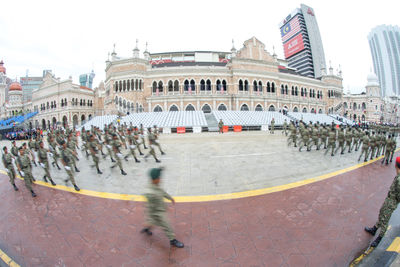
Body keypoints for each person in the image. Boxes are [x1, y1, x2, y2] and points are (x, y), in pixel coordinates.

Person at [141, 168, 184, 248]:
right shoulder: (150, 193)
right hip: (157, 212)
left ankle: (147, 228)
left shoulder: (155, 185)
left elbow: (162, 192)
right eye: (159, 178)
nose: (160, 180)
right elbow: (150, 207)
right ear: (154, 179)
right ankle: (172, 240)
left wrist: (170, 198)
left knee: (152, 223)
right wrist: (153, 216)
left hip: (159, 210)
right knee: (167, 225)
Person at [365, 157, 400, 247]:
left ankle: (379, 238)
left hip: (392, 202)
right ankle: (374, 229)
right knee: (382, 214)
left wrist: (394, 200)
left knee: (385, 219)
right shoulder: (398, 176)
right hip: (390, 200)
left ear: (396, 165)